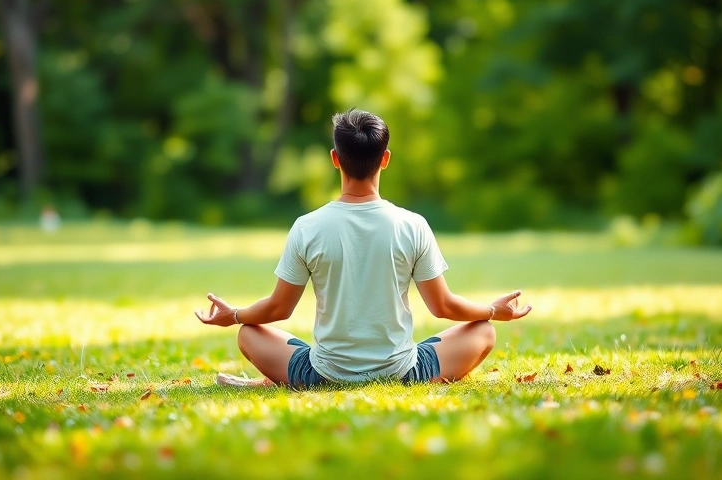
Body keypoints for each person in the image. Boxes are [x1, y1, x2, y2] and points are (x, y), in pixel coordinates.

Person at [195, 109, 532, 387]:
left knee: (248, 334)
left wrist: (234, 316)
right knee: (483, 331)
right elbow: (443, 306)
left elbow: (277, 310)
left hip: (323, 375)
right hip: (402, 373)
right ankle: (273, 382)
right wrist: (491, 311)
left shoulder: (307, 227)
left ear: (334, 158)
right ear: (385, 159)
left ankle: (271, 382)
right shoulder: (411, 225)